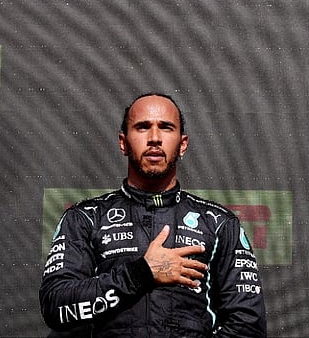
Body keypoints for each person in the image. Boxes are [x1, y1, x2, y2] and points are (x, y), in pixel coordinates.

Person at [39, 93, 267, 337]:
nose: (155, 138)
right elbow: (56, 306)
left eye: (166, 128)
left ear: (183, 144)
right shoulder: (85, 218)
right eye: (142, 127)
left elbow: (248, 325)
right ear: (123, 143)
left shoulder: (220, 224)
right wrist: (142, 273)